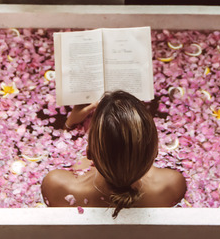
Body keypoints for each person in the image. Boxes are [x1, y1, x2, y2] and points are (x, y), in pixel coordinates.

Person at [41, 90, 187, 217]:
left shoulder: (57, 185)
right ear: (155, 152)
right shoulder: (172, 185)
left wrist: (69, 125)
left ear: (89, 152)